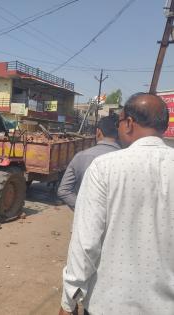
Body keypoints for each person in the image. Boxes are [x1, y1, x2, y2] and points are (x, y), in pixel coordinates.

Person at [59, 93, 174, 315]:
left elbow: (86, 243)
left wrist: (70, 299)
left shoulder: (105, 168)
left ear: (129, 123)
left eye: (120, 121)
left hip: (110, 304)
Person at [57, 115, 120, 210]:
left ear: (98, 132)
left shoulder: (81, 156)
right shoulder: (130, 160)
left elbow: (63, 191)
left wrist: (86, 209)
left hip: (86, 221)